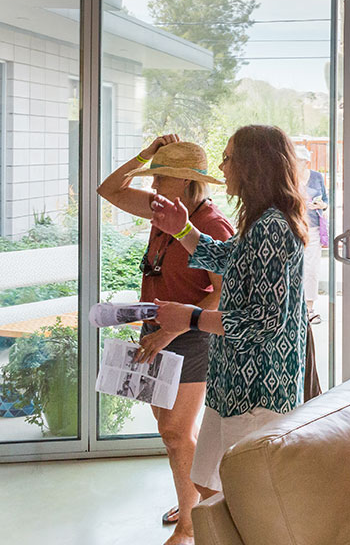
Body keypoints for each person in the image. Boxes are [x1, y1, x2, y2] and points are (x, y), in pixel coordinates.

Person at [150, 125, 308, 505]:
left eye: (228, 158)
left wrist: (187, 319)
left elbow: (264, 321)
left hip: (257, 392)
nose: (221, 167)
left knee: (244, 500)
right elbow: (227, 259)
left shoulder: (271, 227)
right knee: (208, 488)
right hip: (231, 387)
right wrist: (182, 228)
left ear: (252, 166)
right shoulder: (256, 223)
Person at [97, 135, 233, 544]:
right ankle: (190, 498)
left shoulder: (212, 225)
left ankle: (191, 527)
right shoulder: (162, 212)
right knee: (167, 427)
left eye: (161, 178)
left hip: (189, 334)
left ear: (187, 182)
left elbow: (224, 292)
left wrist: (176, 327)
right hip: (155, 329)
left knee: (175, 431)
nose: (153, 186)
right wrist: (147, 152)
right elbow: (109, 190)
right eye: (152, 177)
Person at [295, 145, 327, 324]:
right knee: (295, 269)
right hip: (294, 229)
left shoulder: (316, 177)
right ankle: (296, 307)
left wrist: (322, 205)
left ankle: (309, 308)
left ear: (306, 162)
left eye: (298, 161)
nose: (294, 163)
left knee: (312, 269)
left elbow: (326, 200)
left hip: (313, 229)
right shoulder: (288, 178)